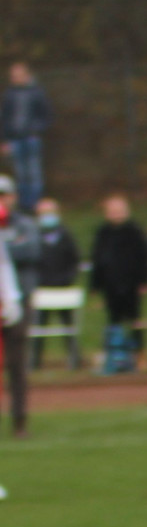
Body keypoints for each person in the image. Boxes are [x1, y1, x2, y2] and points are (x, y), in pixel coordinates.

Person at [89, 193, 147, 374]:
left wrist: (144, 280)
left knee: (135, 320)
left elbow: (144, 257)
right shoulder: (103, 232)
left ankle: (139, 355)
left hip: (131, 283)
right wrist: (95, 285)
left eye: (119, 210)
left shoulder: (135, 231)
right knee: (112, 321)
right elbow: (97, 259)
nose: (116, 214)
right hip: (111, 285)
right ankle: (114, 355)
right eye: (112, 211)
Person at [29, 197, 78, 369]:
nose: (47, 216)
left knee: (68, 326)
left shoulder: (66, 235)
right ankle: (34, 361)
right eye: (43, 213)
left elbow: (74, 260)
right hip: (41, 290)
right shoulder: (33, 236)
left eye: (50, 212)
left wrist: (67, 278)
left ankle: (74, 359)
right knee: (38, 327)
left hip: (63, 288)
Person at [1, 64, 52, 209]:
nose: (16, 79)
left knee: (34, 173)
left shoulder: (37, 93)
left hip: (32, 138)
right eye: (14, 76)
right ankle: (24, 205)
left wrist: (35, 129)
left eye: (19, 75)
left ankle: (35, 204)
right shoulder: (9, 95)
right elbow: (4, 119)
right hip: (15, 139)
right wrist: (4, 140)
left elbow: (47, 116)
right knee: (20, 173)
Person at [0, 177, 28, 435]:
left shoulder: (22, 224)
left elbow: (30, 251)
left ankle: (19, 420)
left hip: (13, 299)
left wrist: (11, 298)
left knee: (16, 364)